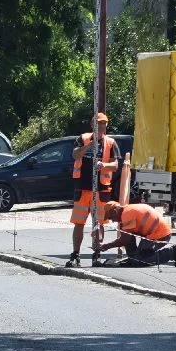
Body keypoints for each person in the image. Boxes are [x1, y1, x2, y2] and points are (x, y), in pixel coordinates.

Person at [66, 112, 120, 267]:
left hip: (101, 190)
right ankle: (76, 254)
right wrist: (87, 147)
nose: (101, 127)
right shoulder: (82, 139)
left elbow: (115, 165)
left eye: (103, 124)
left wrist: (104, 166)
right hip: (82, 189)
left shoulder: (110, 142)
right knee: (79, 223)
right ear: (92, 125)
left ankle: (97, 253)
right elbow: (75, 154)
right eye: (98, 124)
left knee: (99, 224)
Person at [98, 201, 176, 267]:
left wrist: (106, 246)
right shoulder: (126, 211)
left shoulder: (127, 214)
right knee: (134, 255)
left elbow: (124, 240)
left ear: (115, 210)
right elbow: (126, 237)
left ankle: (172, 252)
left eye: (110, 217)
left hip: (161, 235)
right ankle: (132, 259)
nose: (112, 220)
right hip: (152, 235)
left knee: (139, 261)